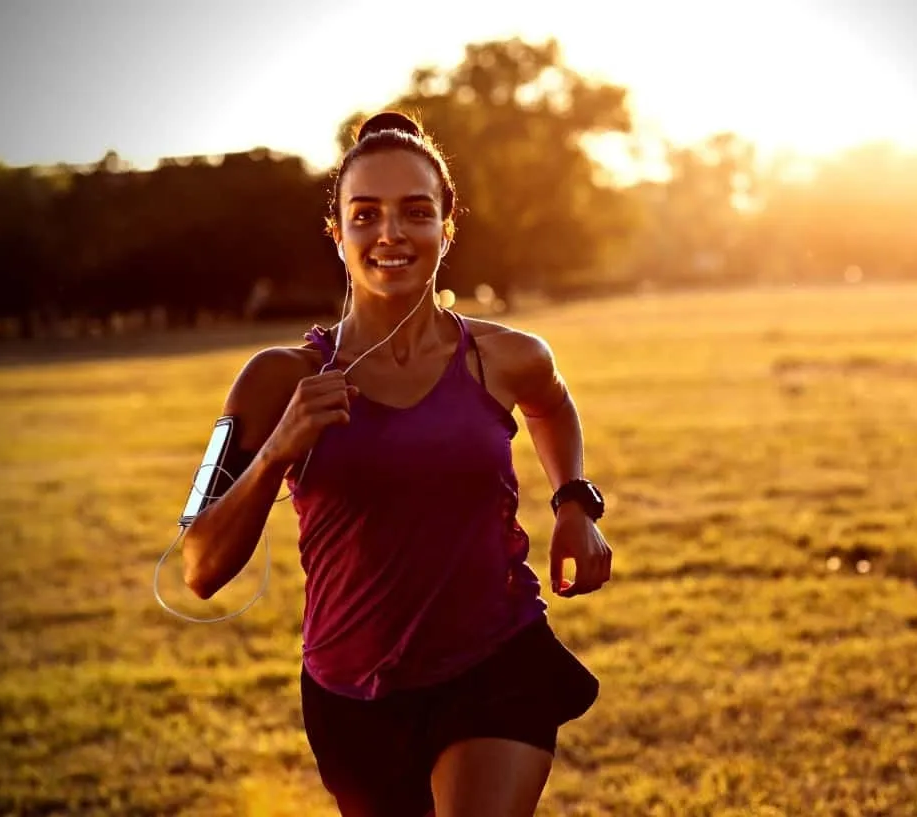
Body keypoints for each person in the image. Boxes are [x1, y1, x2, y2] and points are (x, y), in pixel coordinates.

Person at [179, 111, 613, 817]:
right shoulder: (272, 379)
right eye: (366, 214)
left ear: (447, 227)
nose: (391, 233)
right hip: (352, 694)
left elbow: (552, 402)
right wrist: (279, 450)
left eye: (416, 212)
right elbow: (197, 566)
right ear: (337, 232)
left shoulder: (503, 355)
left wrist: (573, 502)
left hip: (496, 658)